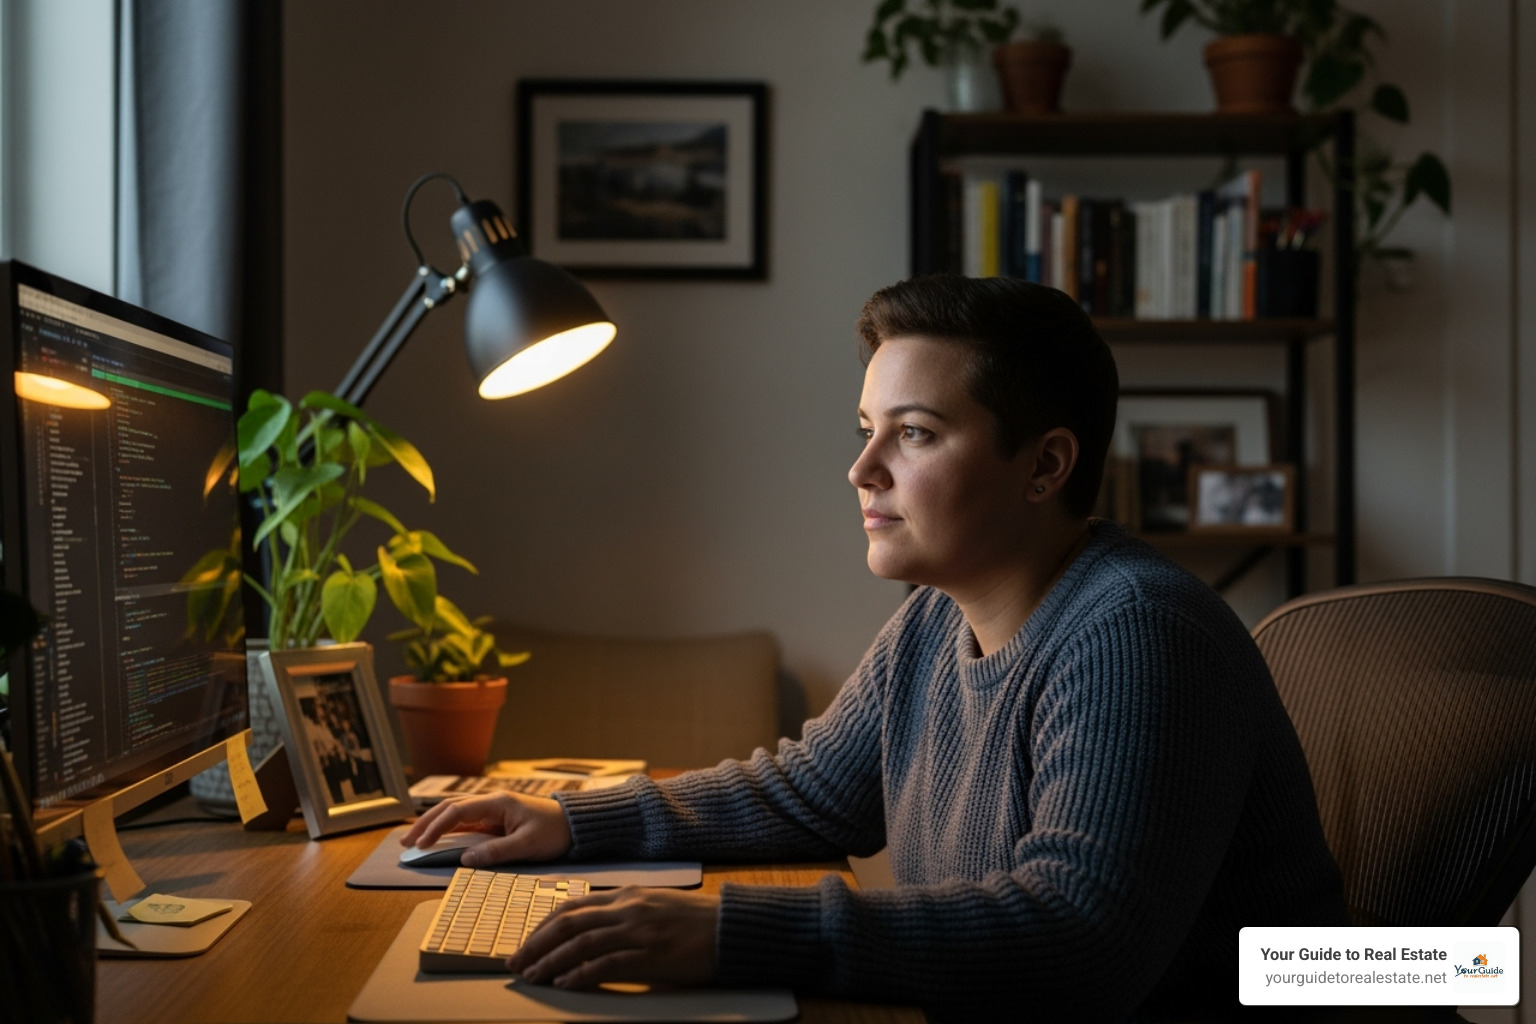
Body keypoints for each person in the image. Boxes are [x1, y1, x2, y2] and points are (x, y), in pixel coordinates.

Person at [403, 275, 1348, 1021]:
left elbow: (1078, 939)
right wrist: (573, 823)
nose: (862, 470)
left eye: (916, 434)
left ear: (1046, 465)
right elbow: (811, 792)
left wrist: (727, 933)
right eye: (867, 432)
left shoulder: (1137, 631)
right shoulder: (936, 617)